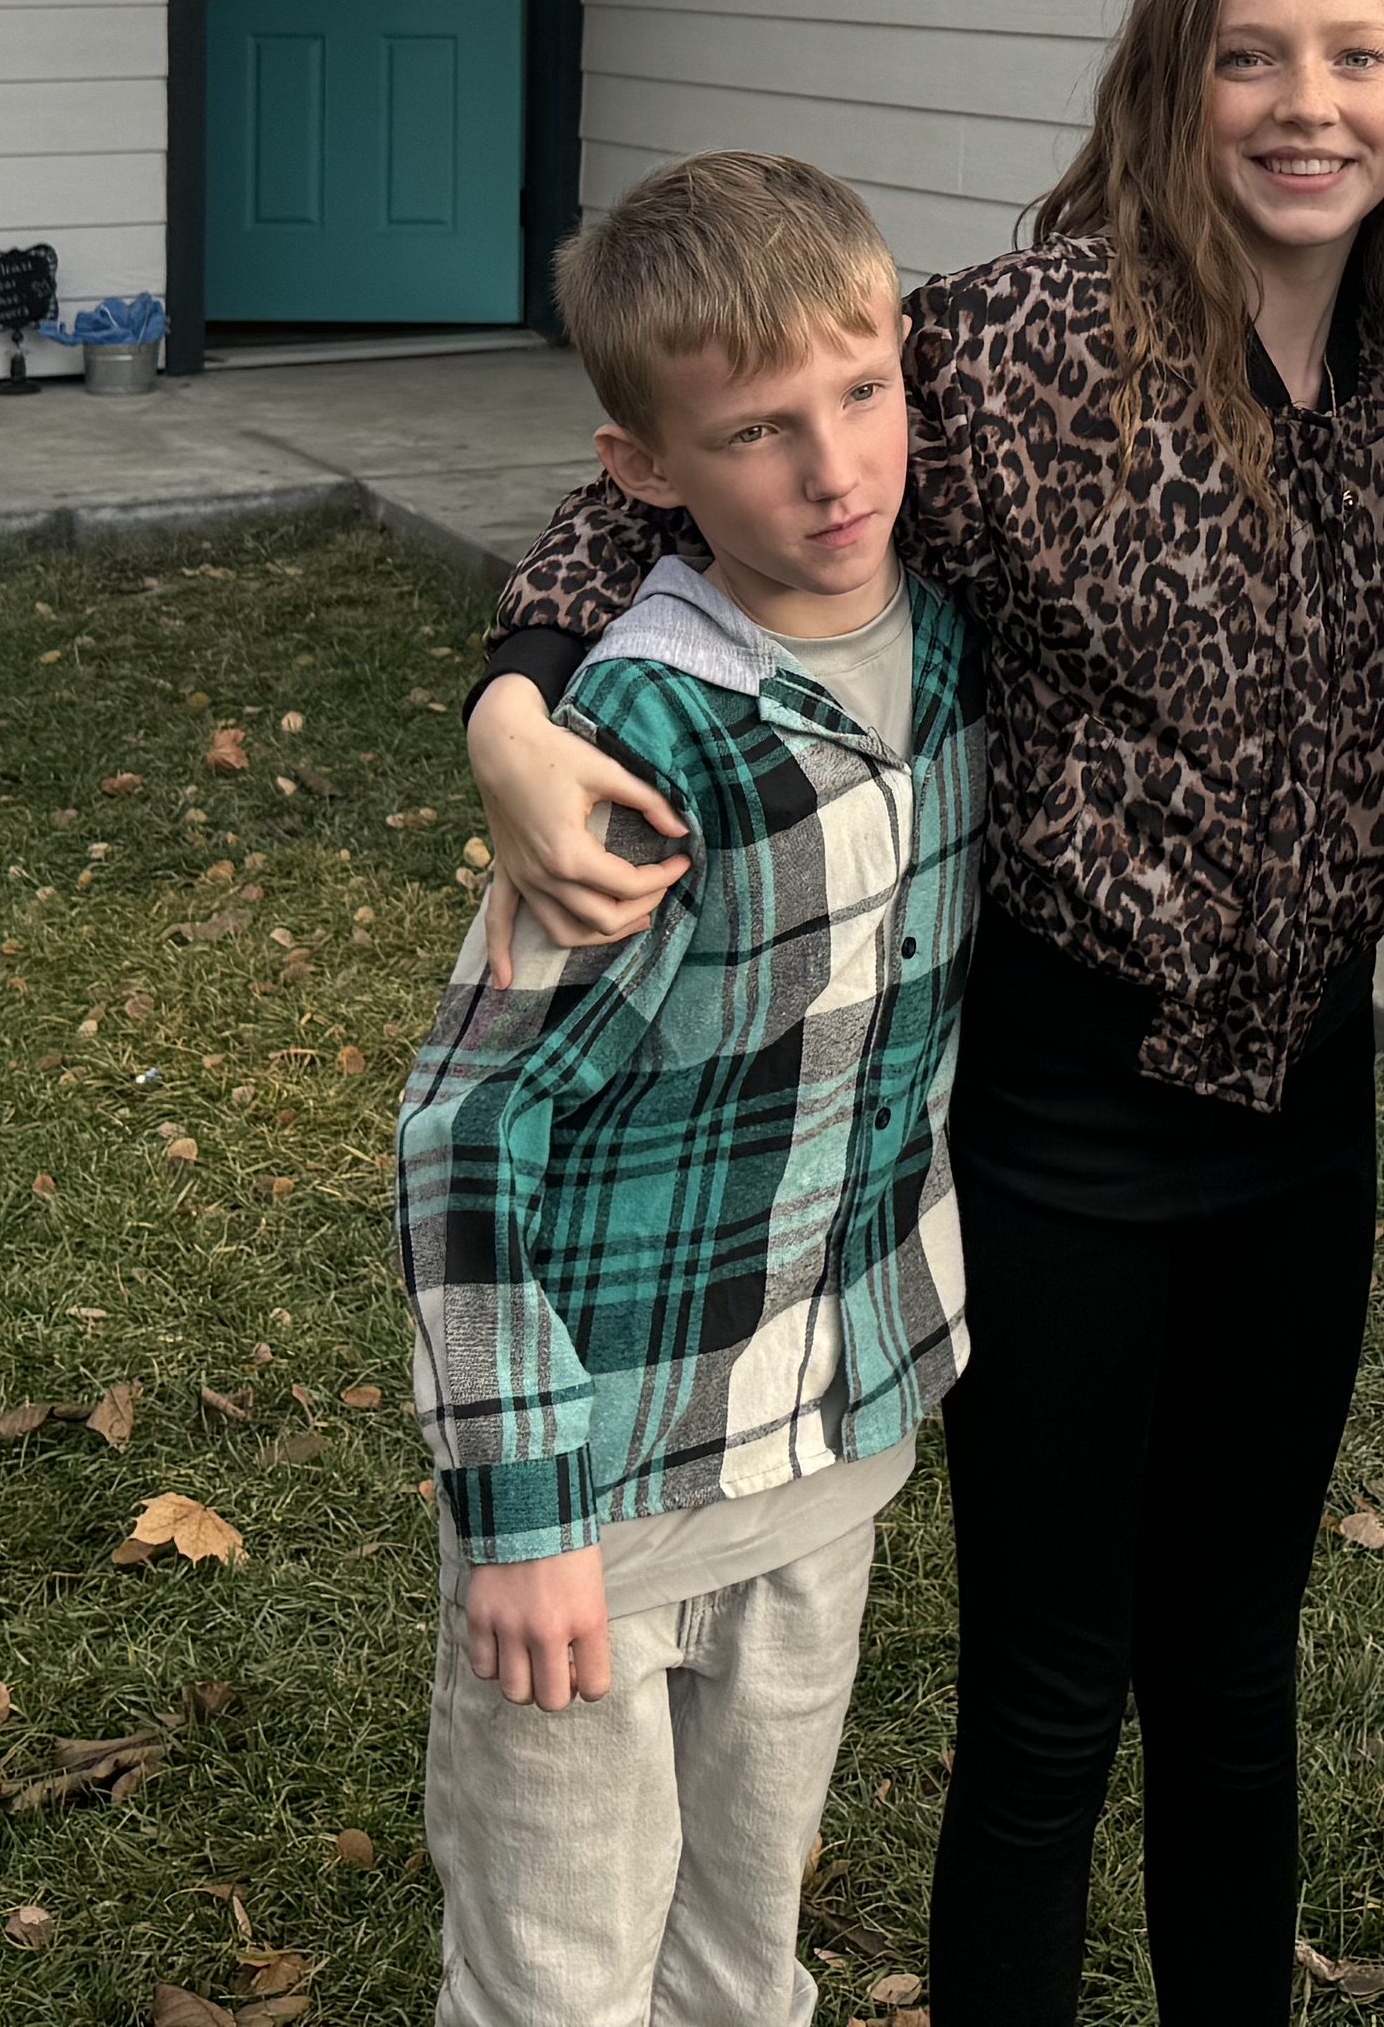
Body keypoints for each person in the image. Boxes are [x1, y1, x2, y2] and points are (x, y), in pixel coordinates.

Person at [459, 0, 1384, 2023]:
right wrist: (512, 701)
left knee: (1237, 1662)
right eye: (1251, 56)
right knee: (1053, 1693)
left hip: (1305, 1113)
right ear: (1170, 82)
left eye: (1354, 55)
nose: (1303, 104)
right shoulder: (1034, 349)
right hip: (1066, 1117)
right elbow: (699, 445)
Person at [396, 149, 975, 2027]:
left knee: (744, 1950)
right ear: (641, 468)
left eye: (864, 394)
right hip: (614, 1488)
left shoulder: (954, 636)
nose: (834, 470)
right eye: (754, 433)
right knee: (564, 1974)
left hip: (833, 1435)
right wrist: (521, 1515)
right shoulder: (638, 738)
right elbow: (467, 1131)